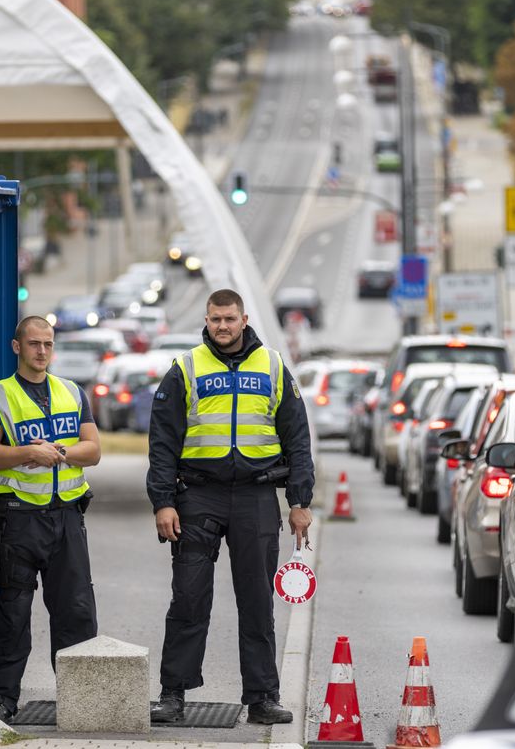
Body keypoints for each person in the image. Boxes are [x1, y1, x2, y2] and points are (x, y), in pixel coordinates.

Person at [146, 289, 314, 725]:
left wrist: (299, 501)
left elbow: (297, 439)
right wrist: (163, 502)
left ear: (244, 319)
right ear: (207, 319)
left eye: (230, 319)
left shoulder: (274, 366)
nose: (222, 326)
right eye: (216, 319)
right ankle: (173, 694)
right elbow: (162, 443)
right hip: (198, 495)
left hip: (257, 497)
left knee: (257, 602)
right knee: (189, 597)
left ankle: (262, 697)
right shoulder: (186, 368)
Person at [0, 316, 101, 722]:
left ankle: (81, 699)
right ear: (17, 347)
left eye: (47, 344)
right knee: (14, 611)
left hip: (66, 517)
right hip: (19, 519)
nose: (42, 351)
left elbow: (93, 450)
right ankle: (0, 697)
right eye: (34, 344)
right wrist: (29, 453)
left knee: (76, 611)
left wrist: (59, 452)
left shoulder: (72, 391)